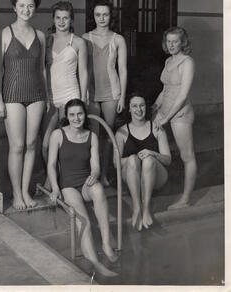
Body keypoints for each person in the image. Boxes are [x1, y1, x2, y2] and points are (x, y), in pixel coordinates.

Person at [48, 99, 118, 277]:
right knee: (84, 220)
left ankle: (106, 244)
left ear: (85, 114)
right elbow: (51, 165)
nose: (76, 118)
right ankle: (95, 263)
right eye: (72, 114)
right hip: (68, 186)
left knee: (98, 189)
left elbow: (95, 165)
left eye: (79, 114)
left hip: (85, 183)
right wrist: (55, 189)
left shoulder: (91, 136)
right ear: (67, 116)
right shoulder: (58, 135)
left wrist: (94, 174)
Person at [0, 0, 49, 210]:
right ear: (14, 8)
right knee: (17, 145)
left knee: (31, 144)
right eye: (22, 6)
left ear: (35, 8)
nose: (26, 10)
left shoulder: (40, 36)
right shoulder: (6, 33)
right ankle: (17, 195)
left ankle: (26, 191)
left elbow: (42, 69)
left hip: (37, 94)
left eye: (30, 6)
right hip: (12, 94)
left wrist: (46, 97)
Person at [83, 0, 127, 186]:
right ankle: (94, 172)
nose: (102, 18)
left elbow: (123, 69)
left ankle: (105, 175)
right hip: (91, 92)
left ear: (111, 16)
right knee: (93, 135)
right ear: (93, 16)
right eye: (98, 14)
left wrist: (122, 96)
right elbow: (81, 68)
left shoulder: (118, 39)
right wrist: (83, 92)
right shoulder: (85, 38)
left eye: (105, 14)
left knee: (108, 135)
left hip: (111, 92)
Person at [153, 26, 197, 210]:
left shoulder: (187, 62)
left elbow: (182, 95)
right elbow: (165, 90)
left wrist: (166, 117)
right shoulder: (168, 61)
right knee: (158, 151)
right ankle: (154, 186)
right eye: (168, 41)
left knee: (187, 156)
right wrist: (154, 108)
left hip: (180, 113)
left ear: (183, 42)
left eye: (175, 41)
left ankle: (185, 199)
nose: (171, 45)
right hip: (164, 111)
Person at [115, 92, 171, 230]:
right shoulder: (122, 132)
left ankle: (146, 209)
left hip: (156, 177)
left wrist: (152, 154)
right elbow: (116, 164)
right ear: (129, 108)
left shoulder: (157, 128)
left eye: (142, 105)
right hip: (132, 175)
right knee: (133, 159)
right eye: (134, 106)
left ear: (146, 107)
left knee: (148, 160)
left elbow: (168, 160)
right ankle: (137, 207)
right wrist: (134, 158)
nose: (138, 110)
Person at [42, 1, 88, 169]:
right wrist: (45, 98)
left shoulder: (78, 42)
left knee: (68, 144)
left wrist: (82, 99)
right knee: (46, 145)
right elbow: (42, 71)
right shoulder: (46, 41)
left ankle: (66, 180)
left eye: (66, 18)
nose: (62, 22)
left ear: (72, 20)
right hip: (51, 98)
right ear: (53, 19)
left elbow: (83, 72)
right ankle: (51, 177)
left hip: (71, 95)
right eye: (58, 18)